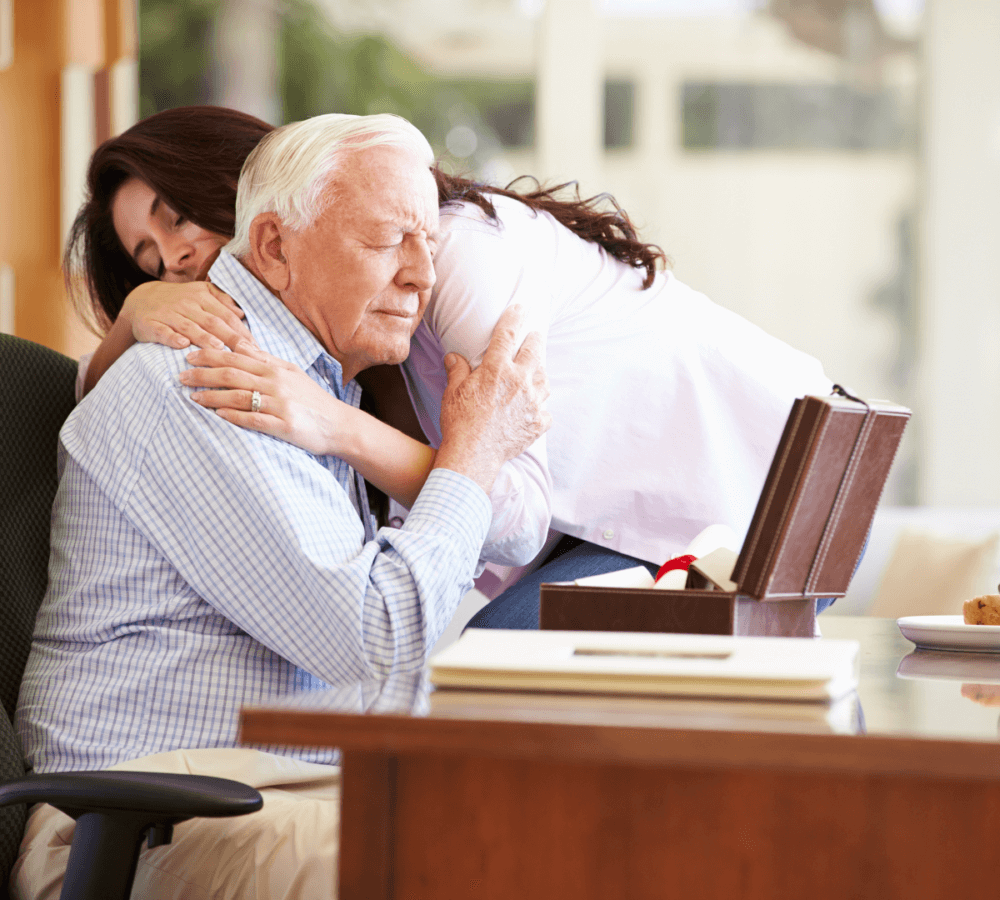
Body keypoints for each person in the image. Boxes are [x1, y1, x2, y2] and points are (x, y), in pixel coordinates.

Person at [13, 115, 551, 900]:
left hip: (270, 793)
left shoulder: (310, 388)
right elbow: (378, 640)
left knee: (574, 816)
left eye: (427, 245)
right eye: (385, 241)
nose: (420, 277)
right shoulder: (201, 383)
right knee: (491, 852)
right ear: (270, 246)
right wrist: (472, 448)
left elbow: (507, 537)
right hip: (149, 820)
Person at [69, 106, 837, 626]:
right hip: (642, 518)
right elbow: (87, 412)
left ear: (251, 190)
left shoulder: (443, 256)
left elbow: (519, 507)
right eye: (148, 259)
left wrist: (331, 425)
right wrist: (133, 318)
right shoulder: (324, 344)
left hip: (783, 475)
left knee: (487, 692)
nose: (174, 258)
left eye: (176, 219)